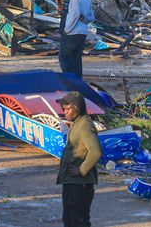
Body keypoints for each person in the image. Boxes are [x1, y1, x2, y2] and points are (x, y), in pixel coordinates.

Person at [56, 91, 102, 227]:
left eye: (68, 108)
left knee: (79, 221)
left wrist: (81, 170)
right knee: (69, 219)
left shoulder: (85, 126)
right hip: (71, 182)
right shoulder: (77, 123)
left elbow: (95, 152)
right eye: (64, 109)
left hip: (80, 184)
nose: (65, 112)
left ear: (77, 107)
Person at [58, 0, 95, 78]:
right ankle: (79, 83)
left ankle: (71, 83)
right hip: (82, 33)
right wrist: (85, 20)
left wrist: (67, 29)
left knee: (64, 57)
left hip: (72, 32)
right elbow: (91, 17)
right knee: (76, 59)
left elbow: (75, 13)